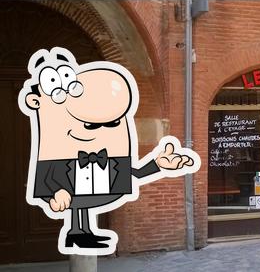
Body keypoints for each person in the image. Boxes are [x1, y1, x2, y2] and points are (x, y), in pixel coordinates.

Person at [18, 47, 200, 255]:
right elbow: (47, 178)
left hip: (95, 186)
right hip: (69, 187)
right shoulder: (55, 156)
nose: (96, 130)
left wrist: (157, 165)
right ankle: (77, 232)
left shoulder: (109, 158)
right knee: (78, 202)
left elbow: (132, 175)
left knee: (83, 203)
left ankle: (83, 232)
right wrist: (53, 194)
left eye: (111, 123)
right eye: (91, 125)